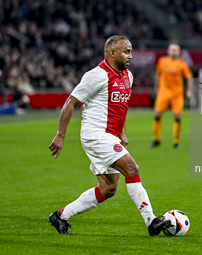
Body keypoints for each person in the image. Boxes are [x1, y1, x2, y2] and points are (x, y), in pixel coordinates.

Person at [48, 35, 171, 236]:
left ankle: (60, 216)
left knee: (108, 188)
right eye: (126, 51)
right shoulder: (97, 75)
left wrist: (121, 132)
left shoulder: (127, 76)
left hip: (110, 135)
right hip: (95, 134)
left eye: (130, 51)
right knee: (132, 168)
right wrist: (60, 135)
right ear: (112, 53)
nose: (131, 56)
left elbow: (119, 106)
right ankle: (152, 222)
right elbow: (70, 102)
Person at [151, 43, 193, 149]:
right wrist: (156, 89)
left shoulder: (182, 63)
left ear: (179, 52)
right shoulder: (162, 61)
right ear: (168, 51)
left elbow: (189, 77)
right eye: (172, 49)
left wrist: (189, 90)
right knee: (157, 114)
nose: (174, 51)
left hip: (177, 94)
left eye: (176, 50)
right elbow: (157, 75)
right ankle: (156, 140)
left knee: (177, 116)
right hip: (164, 92)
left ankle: (176, 142)